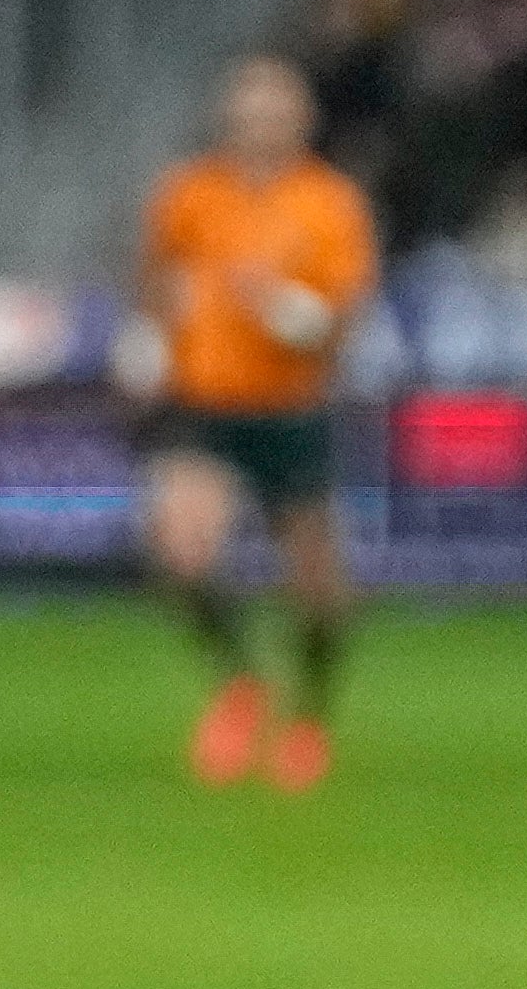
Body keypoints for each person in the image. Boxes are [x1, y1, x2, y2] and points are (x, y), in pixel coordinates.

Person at [133, 57, 382, 792]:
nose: (259, 125)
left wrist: (282, 308)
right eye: (247, 112)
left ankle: (309, 714)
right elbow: (154, 275)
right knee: (180, 551)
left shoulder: (328, 204)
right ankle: (242, 682)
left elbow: (340, 325)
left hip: (291, 406)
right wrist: (160, 324)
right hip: (204, 401)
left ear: (300, 121)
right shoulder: (190, 194)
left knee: (319, 588)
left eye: (274, 112)